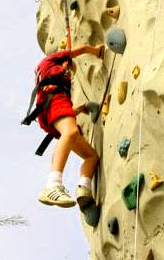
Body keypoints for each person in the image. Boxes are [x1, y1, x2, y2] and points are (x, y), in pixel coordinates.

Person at [33, 43, 104, 209]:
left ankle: (84, 188)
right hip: (54, 100)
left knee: (91, 156)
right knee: (70, 131)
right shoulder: (50, 61)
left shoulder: (55, 79)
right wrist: (94, 50)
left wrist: (80, 109)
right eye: (66, 66)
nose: (68, 70)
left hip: (54, 107)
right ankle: (52, 184)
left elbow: (65, 113)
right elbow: (78, 50)